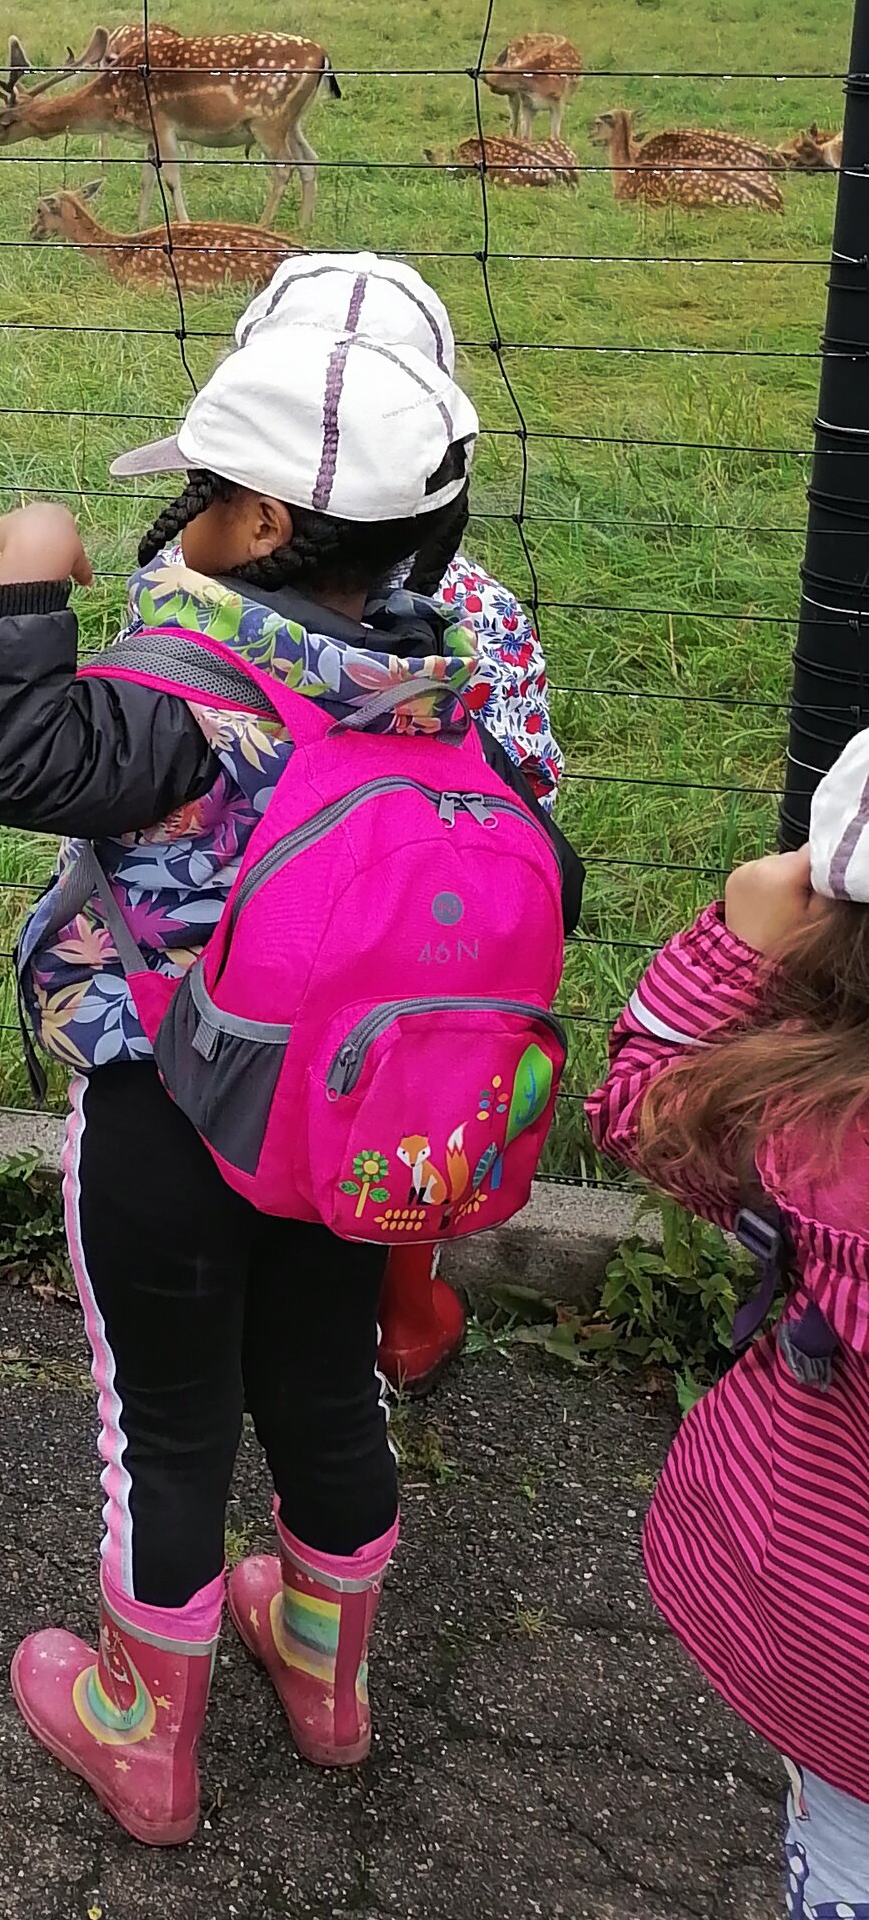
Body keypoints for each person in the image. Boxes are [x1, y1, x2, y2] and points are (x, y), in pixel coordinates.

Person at [0, 326, 581, 1845]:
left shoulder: (188, 697)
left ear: (264, 523)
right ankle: (324, 1674)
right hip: (363, 1130)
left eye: (208, 490)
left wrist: (26, 580)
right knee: (326, 1387)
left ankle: (141, 1730)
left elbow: (9, 752)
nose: (194, 511)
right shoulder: (439, 684)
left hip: (173, 1116)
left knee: (162, 1427)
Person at [585, 743, 869, 1920]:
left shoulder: (819, 1139)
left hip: (842, 1622)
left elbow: (636, 1107)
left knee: (852, 1840)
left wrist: (733, 937)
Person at [230, 252, 565, 1391]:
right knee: (416, 1072)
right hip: (413, 962)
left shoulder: (197, 604)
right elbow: (527, 792)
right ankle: (407, 1311)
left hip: (231, 992)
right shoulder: (475, 609)